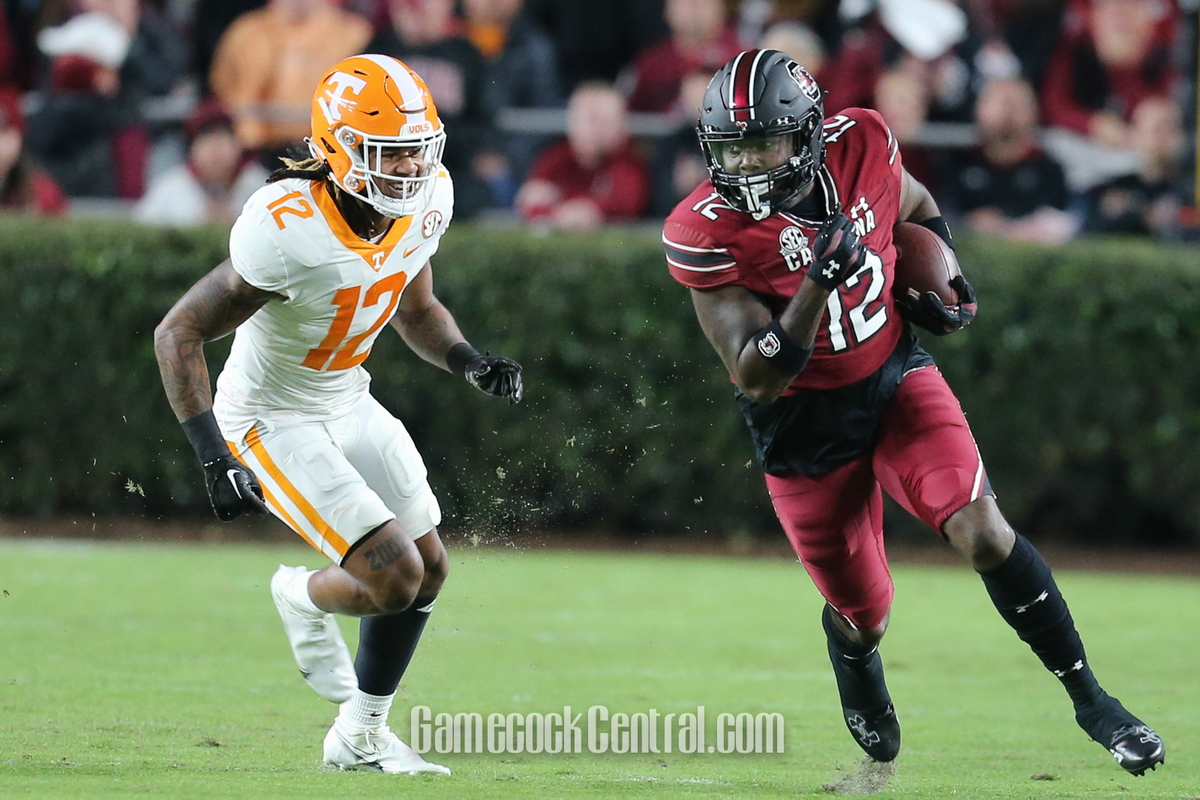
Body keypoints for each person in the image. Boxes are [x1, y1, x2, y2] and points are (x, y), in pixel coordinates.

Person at [662, 48, 1165, 775]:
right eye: (730, 149)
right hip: (803, 427)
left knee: (983, 529)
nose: (745, 166)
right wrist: (815, 289)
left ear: (807, 133)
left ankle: (1092, 700)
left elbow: (917, 203)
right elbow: (756, 375)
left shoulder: (863, 140)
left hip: (895, 377)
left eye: (763, 143)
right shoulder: (704, 229)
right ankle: (853, 654)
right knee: (866, 615)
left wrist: (946, 270)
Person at [153, 54, 524, 774]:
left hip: (346, 396)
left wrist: (468, 359)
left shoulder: (425, 199)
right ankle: (299, 593)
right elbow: (179, 331)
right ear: (338, 148)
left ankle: (360, 736)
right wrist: (212, 454)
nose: (410, 166)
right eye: (389, 152)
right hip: (269, 415)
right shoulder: (286, 224)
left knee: (432, 570)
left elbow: (415, 309)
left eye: (418, 147)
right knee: (392, 576)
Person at [209, 0, 372, 165]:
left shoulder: (353, 34)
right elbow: (224, 87)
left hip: (332, 150)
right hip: (257, 152)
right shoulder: (246, 33)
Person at [942, 76, 1075, 244]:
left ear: (1035, 112)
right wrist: (969, 223)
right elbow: (940, 214)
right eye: (1000, 102)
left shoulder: (1048, 168)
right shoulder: (957, 162)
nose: (1009, 112)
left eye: (1018, 104)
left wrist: (1013, 228)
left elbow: (1061, 222)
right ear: (978, 108)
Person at [515, 81, 649, 229]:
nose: (600, 129)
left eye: (609, 121)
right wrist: (564, 214)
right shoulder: (556, 159)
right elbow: (531, 201)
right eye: (592, 119)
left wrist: (586, 211)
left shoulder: (628, 163)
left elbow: (626, 205)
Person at [134, 99, 269, 227]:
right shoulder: (170, 187)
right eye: (207, 141)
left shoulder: (259, 186)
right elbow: (142, 232)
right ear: (192, 149)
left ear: (238, 146)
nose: (216, 150)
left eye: (223, 139)